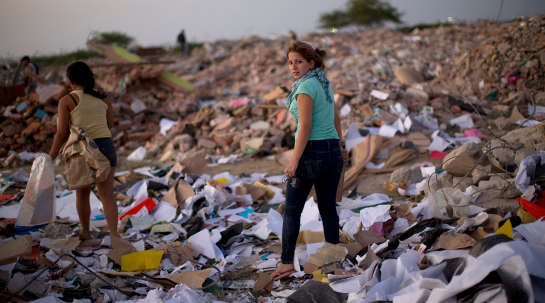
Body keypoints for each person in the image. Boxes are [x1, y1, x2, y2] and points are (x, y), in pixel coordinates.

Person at [272, 41, 346, 280]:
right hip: (332, 152)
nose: (293, 66)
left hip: (311, 153)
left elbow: (305, 126)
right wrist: (340, 145)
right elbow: (336, 118)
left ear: (311, 62)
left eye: (299, 62)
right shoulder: (324, 84)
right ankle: (335, 257)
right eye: (290, 62)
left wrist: (294, 161)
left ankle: (285, 263)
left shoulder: (305, 88)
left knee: (292, 211)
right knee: (327, 208)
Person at [48, 61, 120, 240]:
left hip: (82, 148)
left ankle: (86, 232)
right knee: (107, 194)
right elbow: (109, 124)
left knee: (82, 194)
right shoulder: (103, 97)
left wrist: (50, 156)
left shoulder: (67, 100)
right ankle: (114, 234)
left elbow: (61, 133)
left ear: (70, 80)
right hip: (106, 144)